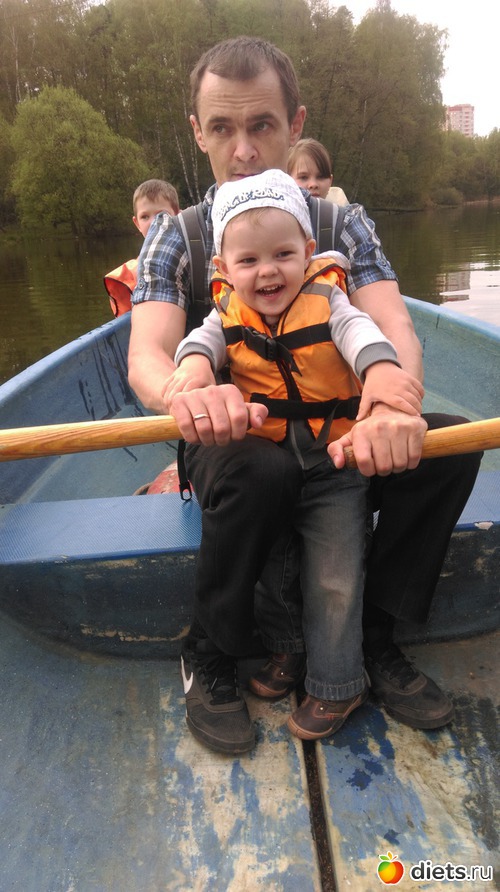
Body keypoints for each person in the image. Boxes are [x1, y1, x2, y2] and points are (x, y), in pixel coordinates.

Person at [128, 36, 481, 755]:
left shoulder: (338, 225)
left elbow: (392, 329)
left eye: (262, 125)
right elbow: (147, 356)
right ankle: (211, 653)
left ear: (294, 124)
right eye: (222, 128)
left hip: (335, 438)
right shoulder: (176, 235)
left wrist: (391, 403)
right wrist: (186, 391)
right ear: (198, 133)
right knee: (262, 470)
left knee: (448, 447)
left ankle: (372, 637)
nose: (244, 150)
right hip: (234, 443)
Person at [172, 169, 426, 744]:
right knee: (276, 565)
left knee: (334, 575)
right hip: (275, 463)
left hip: (335, 465)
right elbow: (199, 344)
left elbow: (363, 334)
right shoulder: (223, 312)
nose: (268, 271)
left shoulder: (328, 299)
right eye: (249, 260)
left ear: (309, 252)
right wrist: (192, 367)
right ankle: (287, 651)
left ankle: (337, 684)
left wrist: (383, 372)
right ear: (224, 268)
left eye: (284, 255)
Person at [104, 179, 180, 317]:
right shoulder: (132, 275)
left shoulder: (194, 254)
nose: (153, 222)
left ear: (178, 216)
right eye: (145, 217)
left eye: (161, 215)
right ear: (137, 224)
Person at [288, 138, 349, 206]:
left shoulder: (342, 211)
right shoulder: (280, 211)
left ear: (330, 181)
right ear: (287, 180)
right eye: (304, 177)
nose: (313, 184)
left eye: (321, 177)